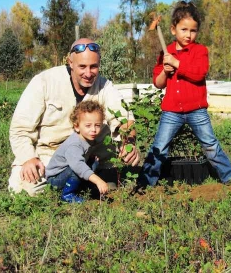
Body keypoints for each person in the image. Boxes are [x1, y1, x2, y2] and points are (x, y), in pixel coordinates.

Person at [9, 38, 139, 196]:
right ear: (70, 62)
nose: (88, 73)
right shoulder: (44, 82)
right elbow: (20, 128)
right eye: (82, 66)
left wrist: (129, 142)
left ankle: (89, 178)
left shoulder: (105, 86)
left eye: (94, 67)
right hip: (50, 157)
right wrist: (28, 158)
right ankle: (84, 184)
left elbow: (125, 119)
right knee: (23, 191)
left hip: (90, 154)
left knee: (123, 172)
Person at [138, 1, 231, 187]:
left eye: (193, 30)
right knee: (159, 147)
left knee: (210, 145)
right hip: (172, 111)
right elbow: (158, 84)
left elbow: (199, 73)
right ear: (173, 29)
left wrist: (177, 64)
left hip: (196, 110)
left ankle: (230, 178)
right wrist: (165, 71)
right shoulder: (166, 52)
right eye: (184, 29)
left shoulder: (200, 51)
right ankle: (144, 184)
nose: (188, 35)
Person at [46, 100, 108, 203]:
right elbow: (78, 166)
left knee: (93, 162)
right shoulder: (74, 144)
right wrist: (98, 180)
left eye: (97, 125)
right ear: (77, 127)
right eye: (88, 125)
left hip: (66, 174)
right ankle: (67, 194)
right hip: (55, 180)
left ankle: (81, 189)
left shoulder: (87, 138)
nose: (93, 129)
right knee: (77, 167)